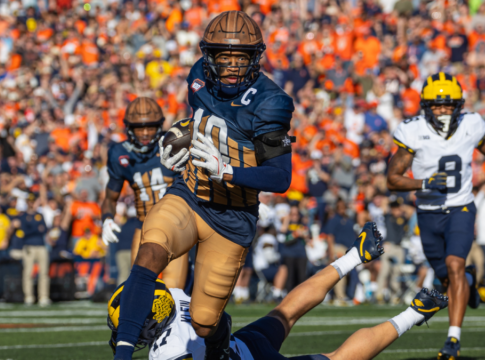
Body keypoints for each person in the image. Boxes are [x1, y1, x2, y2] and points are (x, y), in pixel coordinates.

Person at [114, 11, 294, 360]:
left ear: (255, 58)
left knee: (204, 322)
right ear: (208, 56)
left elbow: (280, 177)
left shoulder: (271, 102)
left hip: (233, 216)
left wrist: (227, 170)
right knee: (150, 251)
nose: (230, 66)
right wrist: (180, 137)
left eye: (239, 58)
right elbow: (202, 121)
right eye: (222, 57)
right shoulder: (198, 76)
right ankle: (122, 354)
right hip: (191, 195)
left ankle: (220, 343)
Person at [108, 222, 449, 360]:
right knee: (285, 311)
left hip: (247, 355)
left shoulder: (164, 354)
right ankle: (353, 256)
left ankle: (414, 312)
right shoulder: (176, 296)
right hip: (245, 343)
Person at [386, 72, 485, 360]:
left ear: (458, 105)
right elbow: (392, 179)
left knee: (454, 264)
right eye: (437, 105)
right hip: (428, 212)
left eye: (448, 105)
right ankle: (470, 285)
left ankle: (453, 338)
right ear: (425, 106)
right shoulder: (412, 131)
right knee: (448, 279)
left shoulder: (471, 124)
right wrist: (425, 183)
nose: (443, 110)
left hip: (461, 208)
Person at [100, 97, 182, 286]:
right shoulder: (120, 153)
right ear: (129, 128)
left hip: (178, 227)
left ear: (160, 126)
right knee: (140, 287)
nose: (145, 133)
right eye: (139, 128)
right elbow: (111, 197)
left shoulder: (175, 145)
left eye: (151, 127)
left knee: (175, 291)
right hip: (144, 226)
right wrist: (107, 218)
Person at [12, 195, 50, 306]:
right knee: (28, 272)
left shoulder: (39, 215)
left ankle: (43, 296)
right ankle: (28, 296)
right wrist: (36, 229)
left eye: (33, 201)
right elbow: (25, 231)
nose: (31, 203)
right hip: (29, 246)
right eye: (29, 201)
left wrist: (33, 229)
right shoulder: (23, 216)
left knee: (44, 272)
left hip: (41, 246)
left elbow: (44, 229)